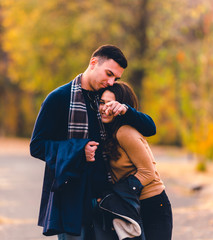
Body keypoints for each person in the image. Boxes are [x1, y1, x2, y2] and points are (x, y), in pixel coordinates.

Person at [29, 44, 157, 239]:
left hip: (107, 200)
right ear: (93, 63)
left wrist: (126, 110)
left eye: (116, 78)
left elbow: (150, 128)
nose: (111, 81)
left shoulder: (106, 97)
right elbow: (36, 147)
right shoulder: (58, 99)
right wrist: (79, 149)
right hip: (71, 198)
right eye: (108, 73)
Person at [98, 81, 173, 240]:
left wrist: (114, 193)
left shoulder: (124, 132)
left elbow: (148, 173)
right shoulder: (107, 133)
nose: (105, 108)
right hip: (130, 205)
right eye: (102, 102)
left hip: (153, 205)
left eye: (110, 104)